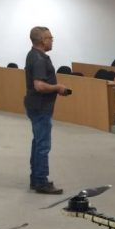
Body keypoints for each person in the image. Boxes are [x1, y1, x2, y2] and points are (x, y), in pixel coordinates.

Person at [24, 26, 70, 195]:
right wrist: (58, 87)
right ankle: (42, 182)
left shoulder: (33, 55)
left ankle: (36, 179)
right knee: (43, 145)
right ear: (42, 41)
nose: (52, 40)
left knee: (37, 142)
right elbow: (39, 85)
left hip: (35, 105)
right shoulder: (39, 59)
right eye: (50, 38)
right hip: (41, 107)